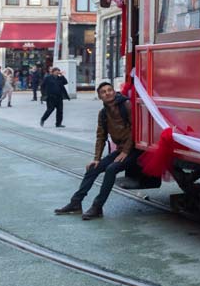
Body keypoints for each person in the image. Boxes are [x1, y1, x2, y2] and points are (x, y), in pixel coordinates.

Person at [55, 81, 144, 219]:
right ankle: (76, 203)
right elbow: (101, 137)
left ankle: (97, 207)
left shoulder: (126, 105)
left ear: (114, 92)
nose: (107, 93)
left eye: (110, 90)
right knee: (93, 168)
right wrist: (96, 159)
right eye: (103, 92)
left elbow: (135, 130)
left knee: (111, 169)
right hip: (121, 150)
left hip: (134, 149)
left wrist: (125, 151)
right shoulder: (103, 113)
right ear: (100, 97)